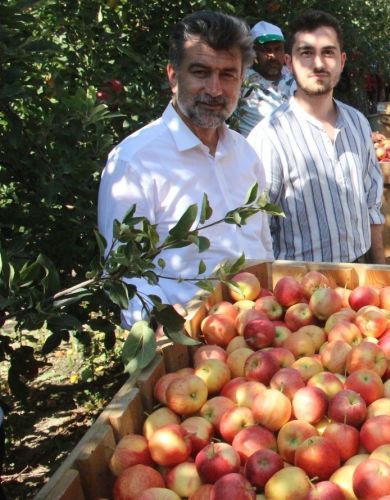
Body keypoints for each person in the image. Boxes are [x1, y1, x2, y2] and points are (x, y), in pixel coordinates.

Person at [98, 11, 274, 326]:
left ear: (241, 80)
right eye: (201, 72)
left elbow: (262, 244)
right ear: (173, 76)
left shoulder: (246, 155)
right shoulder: (135, 163)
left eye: (228, 74)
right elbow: (121, 278)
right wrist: (162, 324)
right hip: (184, 351)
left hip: (259, 336)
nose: (216, 89)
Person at [248, 10, 386, 264]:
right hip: (300, 289)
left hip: (362, 280)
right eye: (307, 52)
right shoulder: (270, 137)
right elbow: (256, 229)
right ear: (289, 62)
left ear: (342, 60)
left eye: (328, 52)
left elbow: (372, 205)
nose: (319, 63)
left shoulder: (358, 124)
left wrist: (382, 273)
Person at [235, 20, 296, 136]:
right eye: (266, 50)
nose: (272, 56)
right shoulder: (241, 79)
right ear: (253, 52)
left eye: (277, 49)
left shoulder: (296, 77)